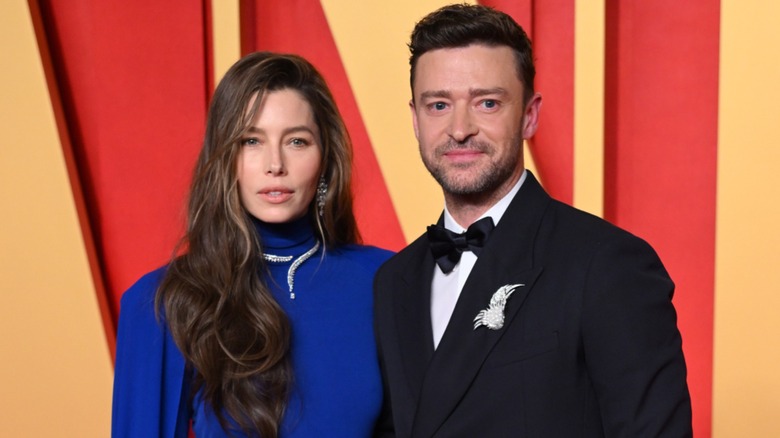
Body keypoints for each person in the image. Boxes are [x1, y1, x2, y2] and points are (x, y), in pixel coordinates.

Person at [373, 4, 692, 437]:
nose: (460, 128)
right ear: (415, 119)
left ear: (529, 115)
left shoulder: (608, 264)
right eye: (439, 105)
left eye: (486, 103)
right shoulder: (394, 282)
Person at [111, 52, 393, 437]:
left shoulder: (386, 281)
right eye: (251, 141)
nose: (274, 164)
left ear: (325, 158)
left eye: (296, 141)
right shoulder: (164, 302)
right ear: (224, 158)